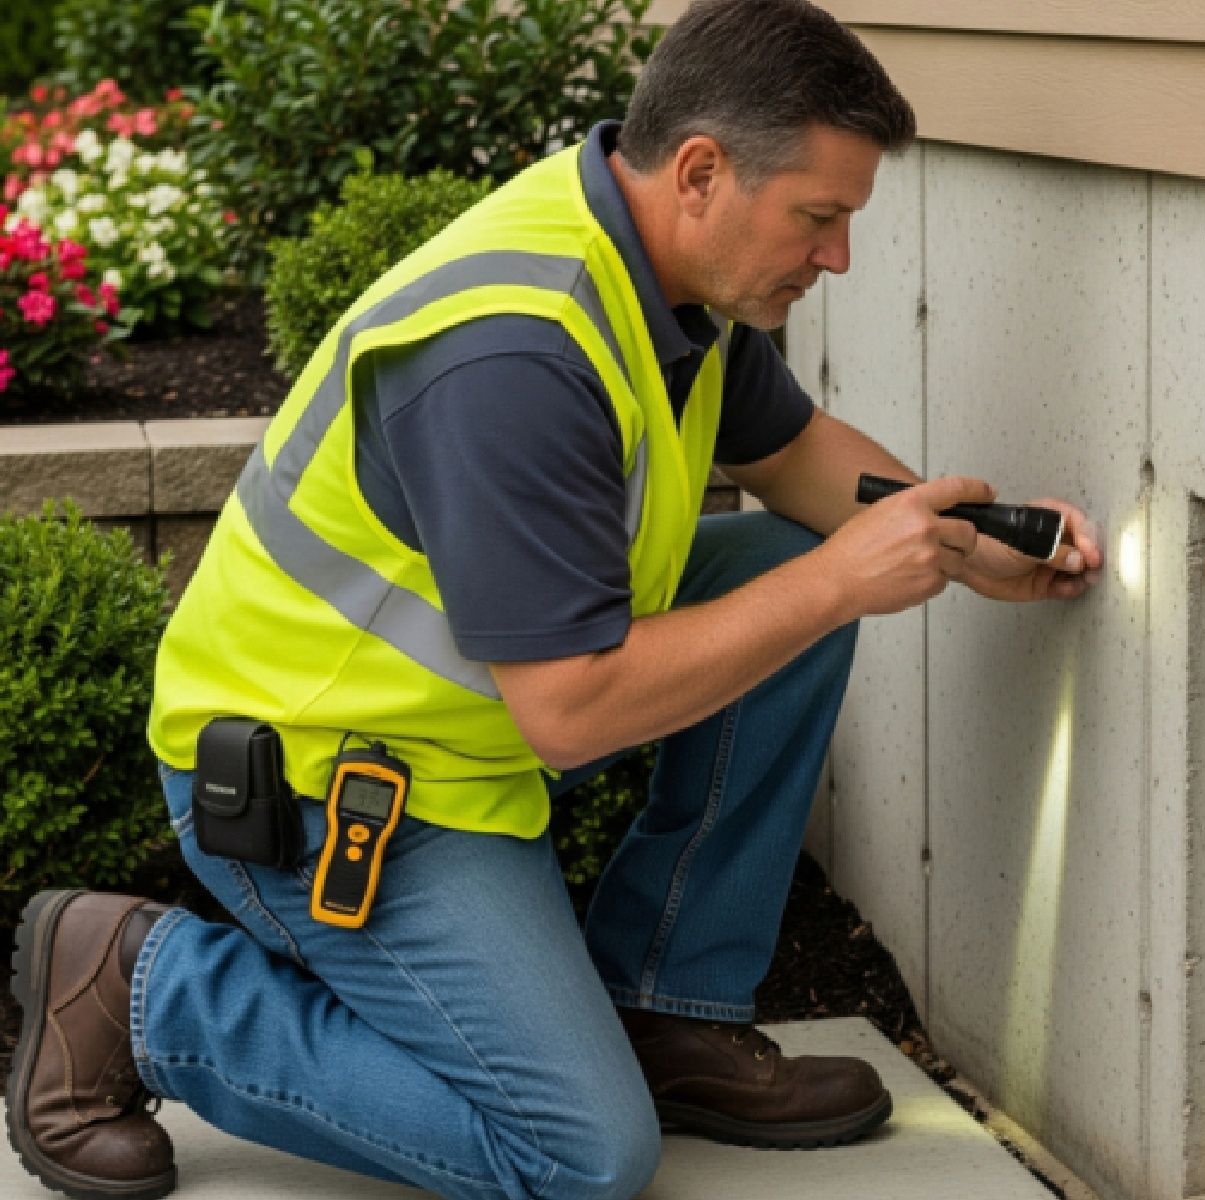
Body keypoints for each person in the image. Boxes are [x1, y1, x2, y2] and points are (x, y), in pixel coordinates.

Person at [4, 1, 1102, 1198]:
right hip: (327, 790)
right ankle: (144, 987)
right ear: (700, 172)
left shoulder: (665, 269)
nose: (836, 256)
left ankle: (665, 1009)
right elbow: (574, 711)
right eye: (820, 218)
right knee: (579, 1157)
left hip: (461, 739)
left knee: (789, 569)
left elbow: (792, 458)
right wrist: (845, 579)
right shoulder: (514, 355)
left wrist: (956, 543)